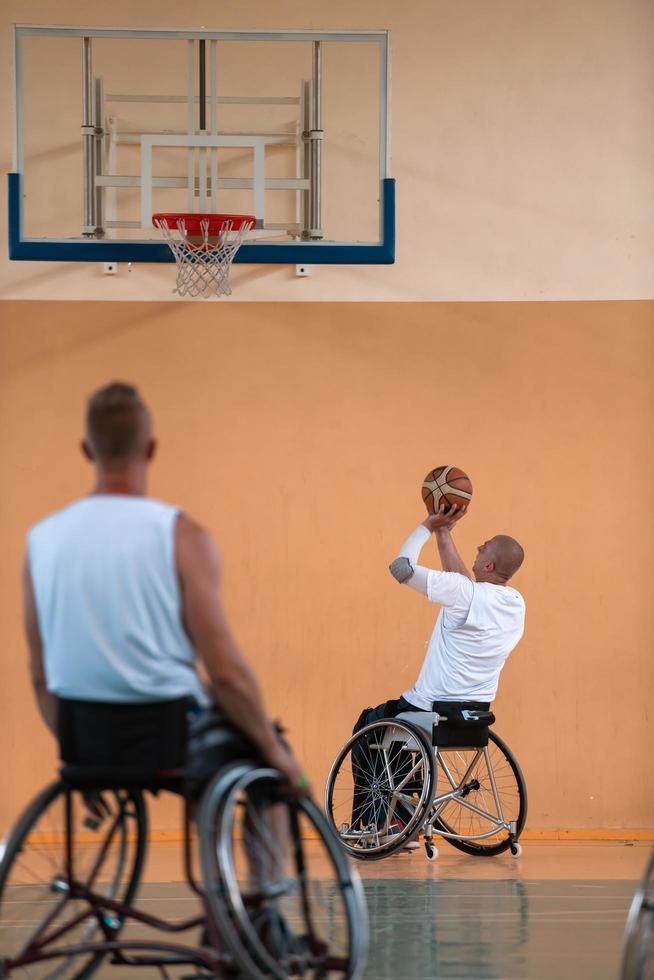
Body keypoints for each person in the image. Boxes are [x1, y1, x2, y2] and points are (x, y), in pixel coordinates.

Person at [22, 381, 306, 794]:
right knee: (266, 754)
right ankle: (264, 860)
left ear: (87, 449)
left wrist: (76, 753)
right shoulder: (182, 536)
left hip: (85, 740)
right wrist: (275, 751)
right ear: (151, 448)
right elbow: (226, 675)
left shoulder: (41, 540)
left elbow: (39, 676)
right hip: (170, 735)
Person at [350, 501, 525, 840]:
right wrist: (446, 533)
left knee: (370, 725)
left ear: (488, 564)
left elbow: (401, 568)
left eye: (484, 546)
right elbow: (464, 587)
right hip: (473, 716)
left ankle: (373, 825)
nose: (478, 546)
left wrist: (427, 527)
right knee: (400, 734)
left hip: (428, 710)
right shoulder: (515, 603)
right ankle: (405, 820)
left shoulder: (463, 593)